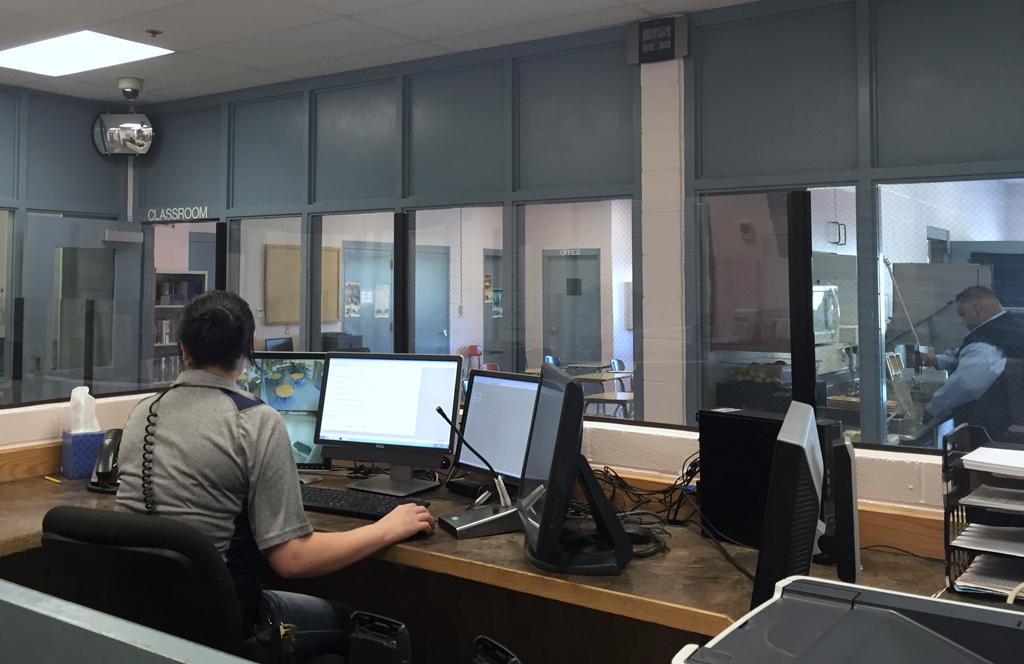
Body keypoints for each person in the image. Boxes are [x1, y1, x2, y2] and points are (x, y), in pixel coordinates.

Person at [116, 291, 436, 660]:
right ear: (247, 349)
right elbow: (292, 560)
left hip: (141, 618)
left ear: (182, 347)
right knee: (367, 625)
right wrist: (387, 528)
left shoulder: (142, 413)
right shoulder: (254, 421)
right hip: (228, 621)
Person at [922, 286, 1024, 439]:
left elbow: (965, 383)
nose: (964, 322)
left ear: (978, 309)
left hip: (989, 428)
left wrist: (932, 408)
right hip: (1004, 420)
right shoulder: (1008, 327)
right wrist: (937, 360)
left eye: (963, 315)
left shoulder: (987, 339)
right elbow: (971, 357)